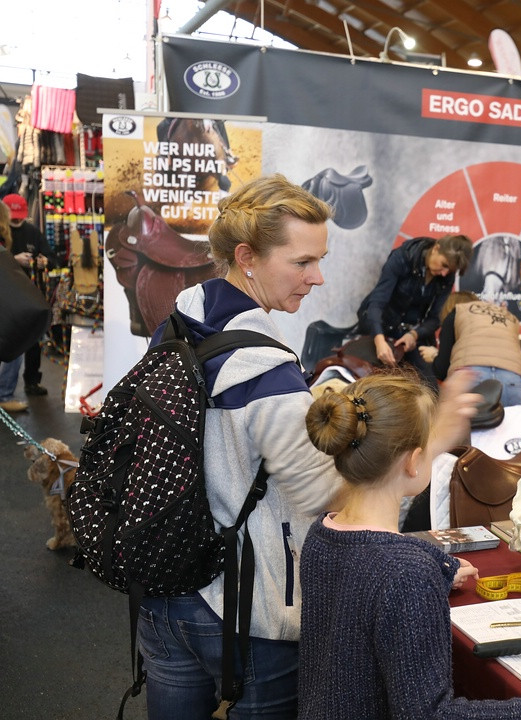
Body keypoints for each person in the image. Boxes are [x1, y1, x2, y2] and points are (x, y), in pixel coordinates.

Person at [136, 175, 344, 719]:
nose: (317, 277)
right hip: (243, 604)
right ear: (247, 255)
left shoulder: (181, 322)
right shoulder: (266, 369)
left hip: (161, 585)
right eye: (303, 262)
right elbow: (319, 490)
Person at [299, 369, 521, 720]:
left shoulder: (321, 532)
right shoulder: (405, 573)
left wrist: (440, 570)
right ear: (414, 462)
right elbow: (430, 715)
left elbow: (370, 577)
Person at [356, 234, 473, 382]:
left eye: (449, 271)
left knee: (430, 384)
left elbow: (436, 317)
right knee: (374, 377)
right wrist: (379, 341)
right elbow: (377, 303)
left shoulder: (446, 276)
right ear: (436, 248)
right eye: (444, 265)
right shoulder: (402, 258)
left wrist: (414, 335)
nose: (444, 273)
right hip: (378, 326)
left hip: (410, 333)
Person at [421, 290, 521, 406]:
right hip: (512, 377)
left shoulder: (457, 312)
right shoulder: (508, 316)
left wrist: (433, 355)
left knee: (460, 423)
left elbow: (441, 370)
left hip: (472, 375)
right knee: (509, 423)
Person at [0, 193, 52, 410]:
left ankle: (15, 388)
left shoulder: (31, 232)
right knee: (17, 337)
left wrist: (43, 260)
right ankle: (4, 394)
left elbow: (49, 254)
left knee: (22, 340)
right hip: (11, 299)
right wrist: (13, 260)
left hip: (13, 297)